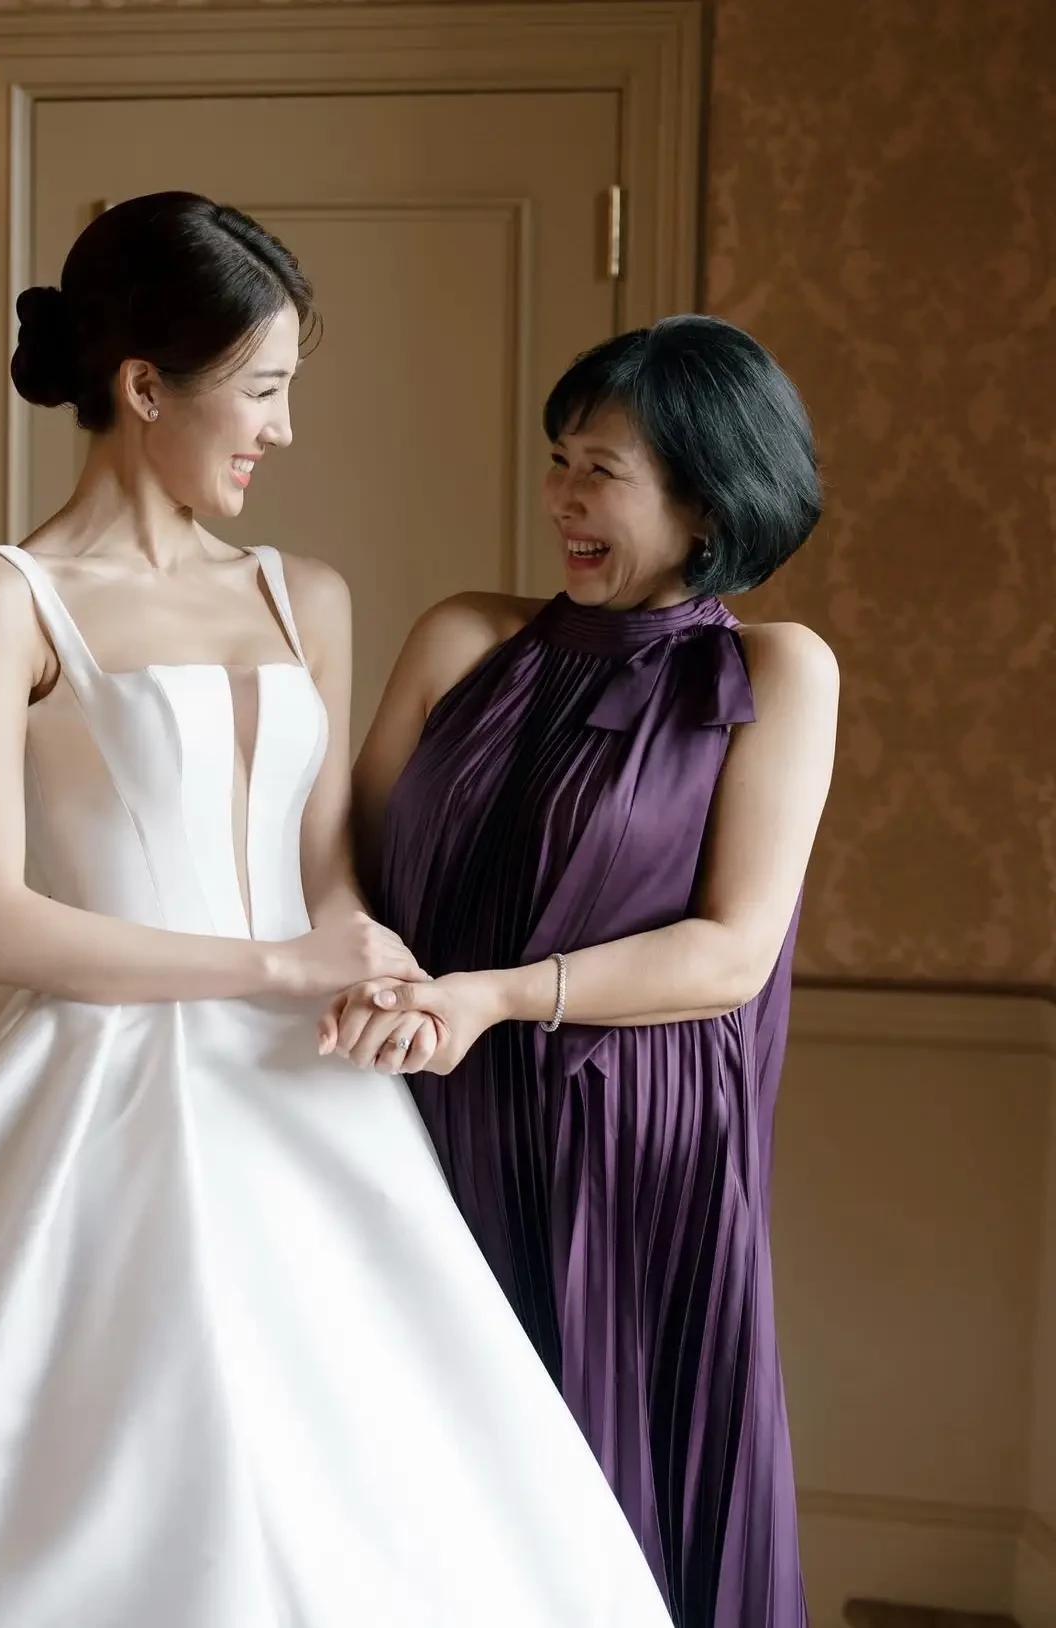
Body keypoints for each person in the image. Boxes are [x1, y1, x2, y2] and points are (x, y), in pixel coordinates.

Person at [0, 194, 673, 1628]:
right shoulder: (7, 596)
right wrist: (281, 962)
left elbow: (319, 868)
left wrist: (368, 967)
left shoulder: (308, 595)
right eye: (265, 389)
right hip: (80, 1095)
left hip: (311, 1099)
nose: (284, 430)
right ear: (142, 388)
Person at [327, 315, 837, 1628]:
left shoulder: (777, 671)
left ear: (707, 495)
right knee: (419, 1488)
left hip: (638, 1147)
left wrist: (493, 994)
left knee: (613, 1486)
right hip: (426, 1120)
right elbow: (347, 877)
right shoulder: (461, 639)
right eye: (559, 459)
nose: (561, 496)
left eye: (599, 468)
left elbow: (729, 954)